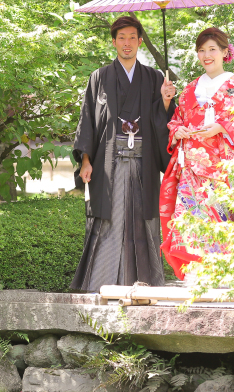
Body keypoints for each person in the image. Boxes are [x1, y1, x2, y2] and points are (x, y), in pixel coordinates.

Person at [70, 16, 177, 292]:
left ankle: (146, 284)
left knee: (142, 219)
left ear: (140, 40)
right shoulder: (100, 77)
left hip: (144, 162)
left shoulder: (154, 78)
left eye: (132, 37)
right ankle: (100, 283)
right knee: (109, 219)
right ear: (114, 41)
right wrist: (85, 160)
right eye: (121, 38)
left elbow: (163, 122)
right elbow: (89, 121)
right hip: (108, 162)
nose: (127, 43)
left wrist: (165, 100)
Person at [159, 27, 234, 280]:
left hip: (221, 168)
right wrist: (177, 130)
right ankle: (197, 271)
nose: (206, 55)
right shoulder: (190, 88)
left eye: (212, 49)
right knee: (190, 217)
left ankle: (226, 271)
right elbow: (177, 119)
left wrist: (221, 126)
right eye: (201, 50)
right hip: (191, 167)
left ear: (225, 52)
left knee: (221, 217)